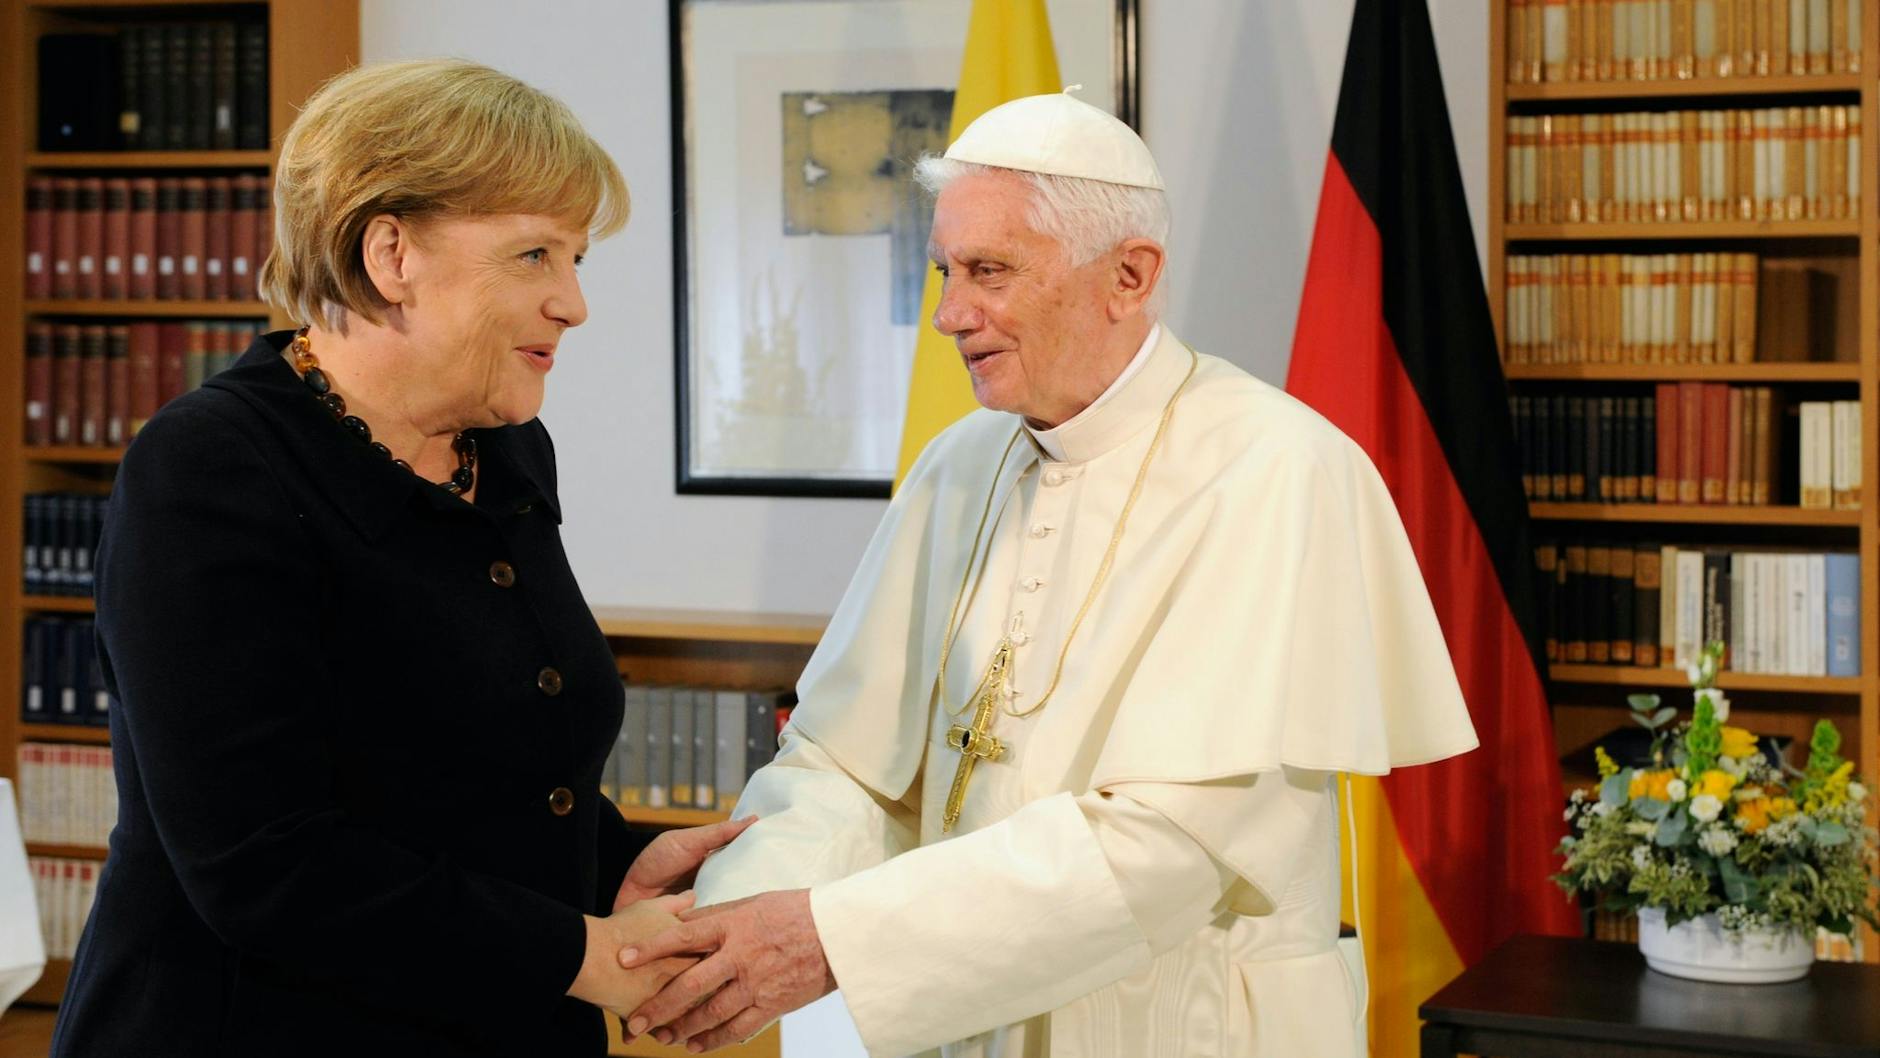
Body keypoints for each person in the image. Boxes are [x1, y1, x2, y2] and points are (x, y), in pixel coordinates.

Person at [615, 91, 1480, 1058]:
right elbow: (843, 766)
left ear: (1129, 276)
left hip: (1179, 1025)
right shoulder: (958, 464)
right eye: (945, 270)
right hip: (952, 1017)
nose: (948, 315)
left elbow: (1168, 850)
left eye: (990, 272)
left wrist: (831, 941)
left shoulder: (1279, 469)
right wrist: (723, 935)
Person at [49, 59, 741, 1058]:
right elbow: (265, 864)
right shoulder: (209, 467)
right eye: (534, 256)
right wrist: (581, 951)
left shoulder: (503, 448)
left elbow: (472, 772)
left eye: (576, 258)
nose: (574, 303)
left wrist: (615, 863)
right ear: (390, 253)